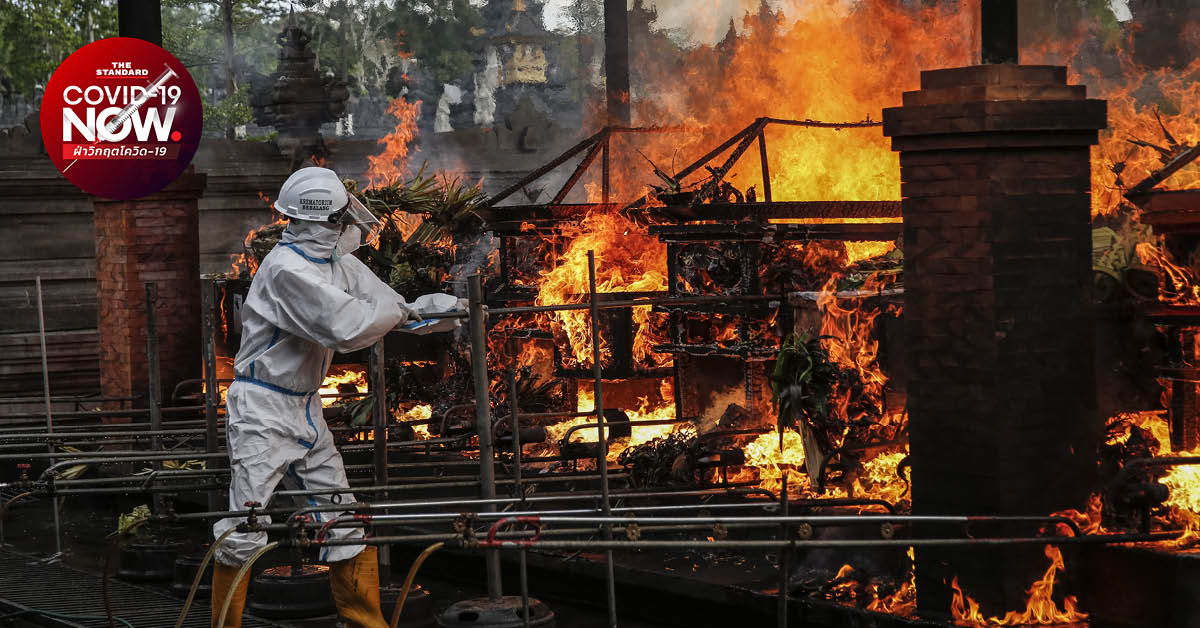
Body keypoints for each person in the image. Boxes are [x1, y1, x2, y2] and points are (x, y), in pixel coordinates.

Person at [211, 167, 427, 628]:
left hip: (306, 408)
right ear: (317, 220)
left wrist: (438, 308)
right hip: (262, 411)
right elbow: (348, 328)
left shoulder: (334, 262)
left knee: (342, 522)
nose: (347, 225)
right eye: (339, 217)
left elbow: (387, 304)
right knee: (245, 528)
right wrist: (391, 313)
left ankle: (367, 624)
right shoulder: (287, 270)